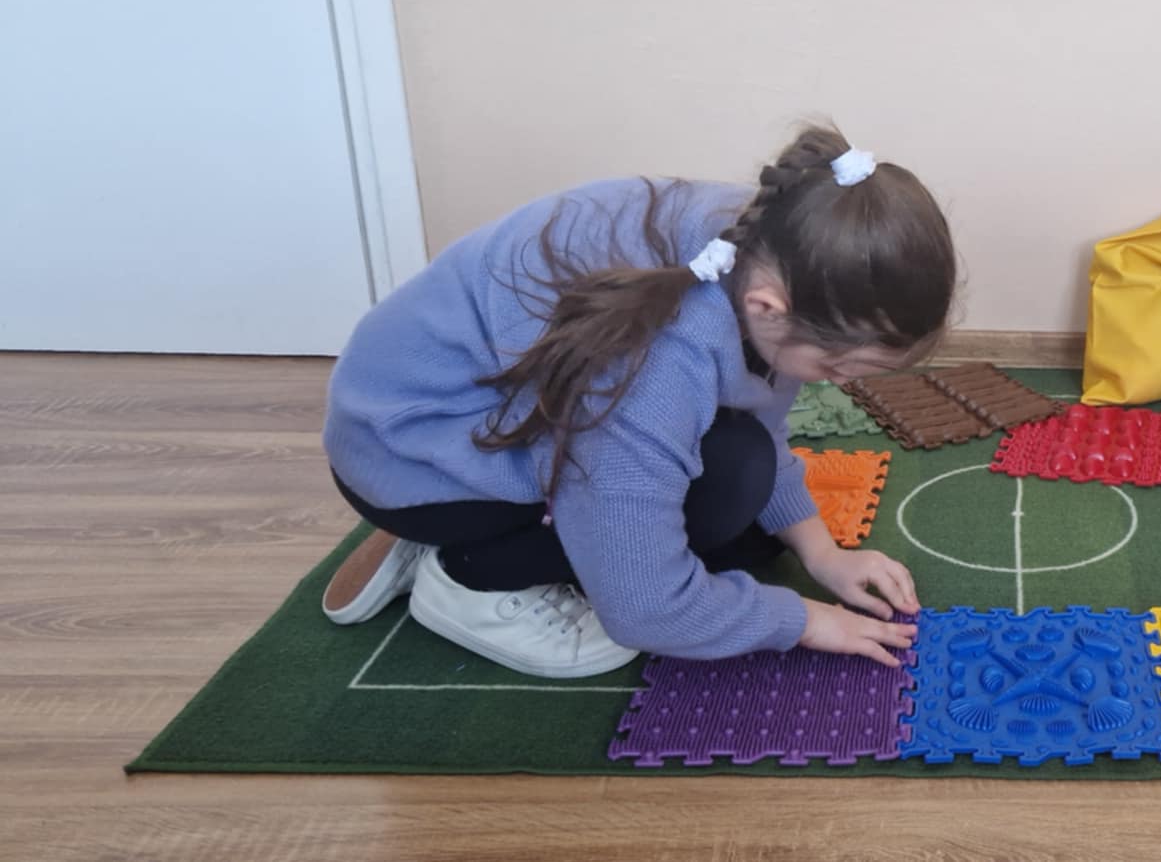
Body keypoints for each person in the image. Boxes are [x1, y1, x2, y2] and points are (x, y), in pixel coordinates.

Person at [316, 124, 955, 678]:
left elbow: (761, 411)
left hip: (454, 404)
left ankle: (472, 522)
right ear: (769, 309)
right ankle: (466, 574)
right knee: (722, 498)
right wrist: (806, 622)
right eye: (834, 366)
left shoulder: (771, 242)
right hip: (404, 449)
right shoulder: (654, 366)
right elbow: (645, 609)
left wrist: (822, 553)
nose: (836, 383)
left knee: (750, 512)